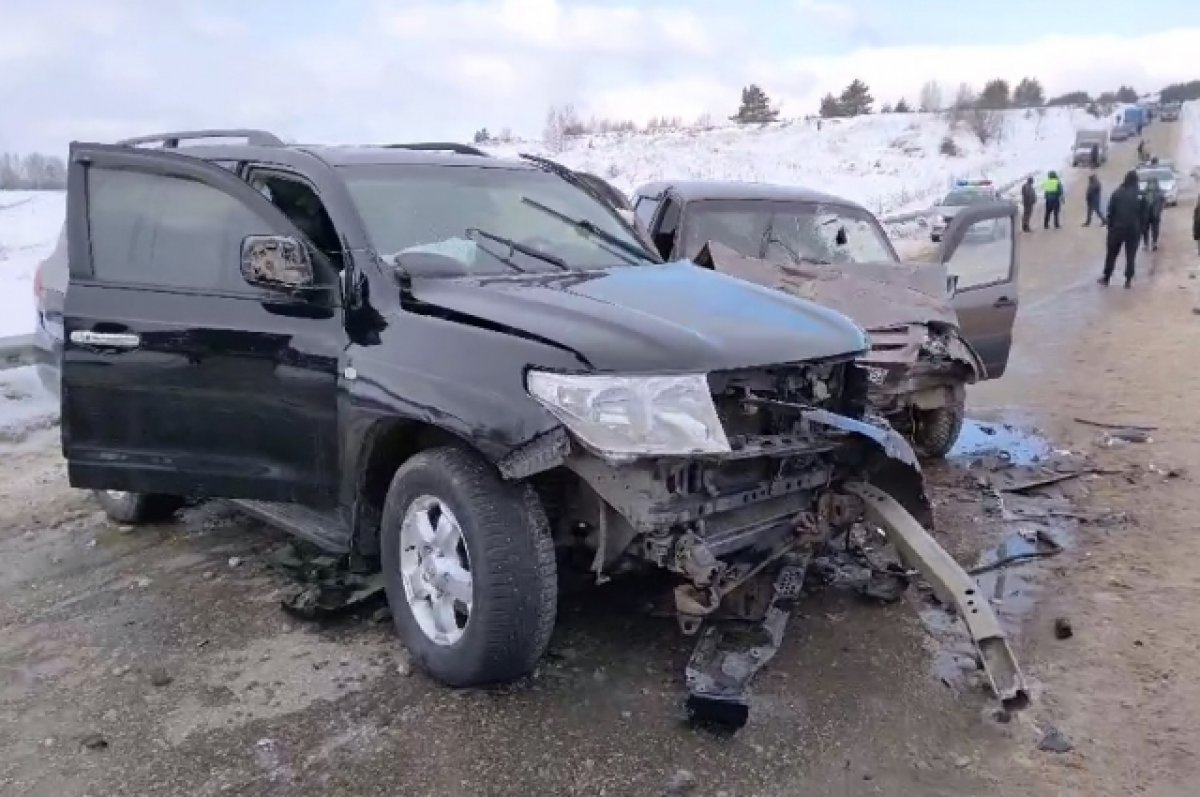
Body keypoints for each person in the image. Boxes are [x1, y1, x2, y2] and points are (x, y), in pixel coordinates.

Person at [1100, 170, 1144, 288]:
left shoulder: (1117, 193)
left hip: (1117, 229)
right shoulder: (1140, 194)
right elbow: (1144, 213)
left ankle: (1106, 278)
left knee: (1111, 254)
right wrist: (1141, 228)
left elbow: (1110, 211)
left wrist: (1110, 227)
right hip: (1133, 230)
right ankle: (1128, 280)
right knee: (1131, 256)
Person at [1142, 177, 1165, 251]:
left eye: (1153, 183)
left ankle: (1154, 242)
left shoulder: (1159, 192)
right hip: (1146, 214)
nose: (1152, 185)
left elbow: (1163, 201)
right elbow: (1140, 203)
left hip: (1155, 214)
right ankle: (1146, 244)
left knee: (1155, 229)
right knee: (1145, 229)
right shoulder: (1144, 192)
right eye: (1150, 183)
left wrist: (1159, 209)